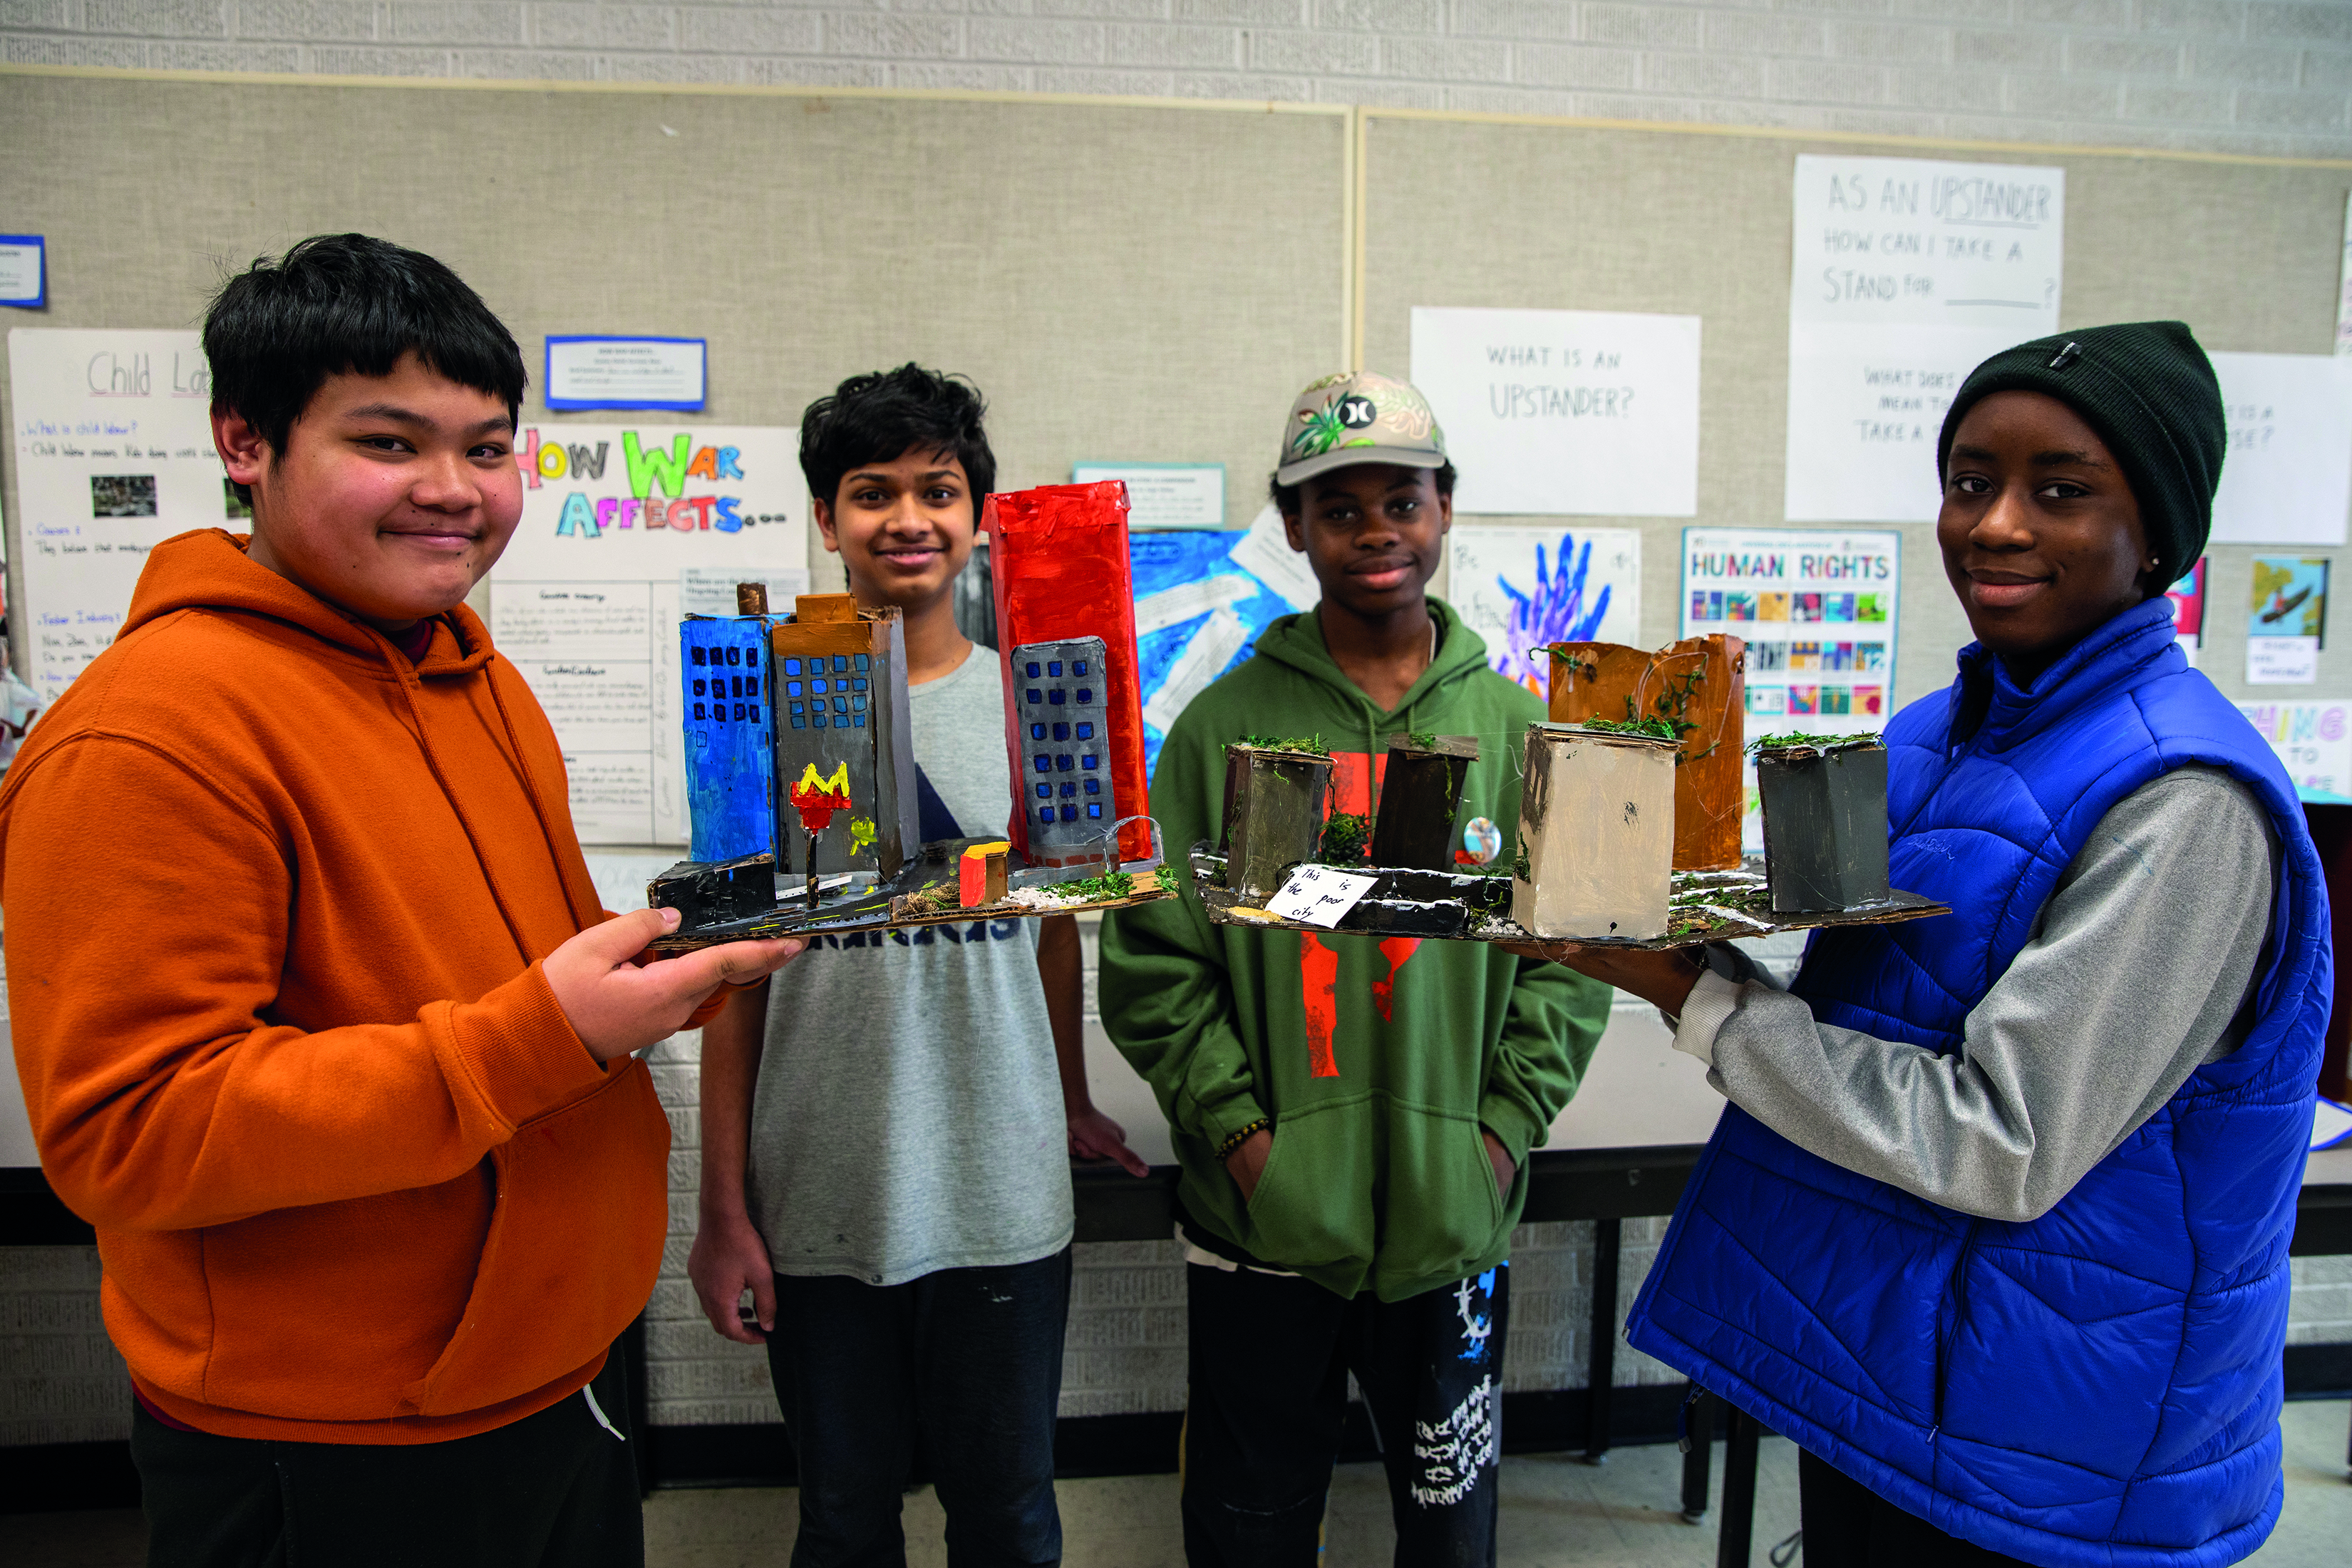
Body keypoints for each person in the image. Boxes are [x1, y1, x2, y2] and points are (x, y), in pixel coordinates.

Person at [0, 234, 803, 1567]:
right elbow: (129, 1132)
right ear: (245, 441)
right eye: (390, 443)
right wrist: (548, 1032)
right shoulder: (145, 736)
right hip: (335, 1439)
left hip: (558, 1373)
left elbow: (488, 981)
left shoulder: (476, 679)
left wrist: (645, 978)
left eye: (489, 449)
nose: (454, 492)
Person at [1548, 324, 2327, 1568]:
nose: (1996, 524)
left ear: (2164, 539)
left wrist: (1700, 1000)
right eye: (1969, 481)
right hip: (1897, 1374)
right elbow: (1884, 1004)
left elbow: (2001, 1139)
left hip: (2047, 1448)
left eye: (2060, 490)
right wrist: (1669, 930)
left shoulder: (2184, 804)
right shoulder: (1934, 733)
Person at [1097, 371, 1613, 1567]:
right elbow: (1156, 965)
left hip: (1453, 1227)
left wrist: (1497, 1134)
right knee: (1250, 1525)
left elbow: (1573, 963)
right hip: (1262, 1230)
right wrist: (1245, 1140)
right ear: (1293, 526)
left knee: (1448, 1532)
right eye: (1339, 509)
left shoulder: (1522, 732)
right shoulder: (1222, 730)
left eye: (1401, 500)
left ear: (1446, 510)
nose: (1375, 530)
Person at [688, 364, 1145, 1568]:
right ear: (827, 519)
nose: (907, 518)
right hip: (822, 1195)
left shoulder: (1039, 703)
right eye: (870, 491)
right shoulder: (764, 716)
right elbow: (733, 975)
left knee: (1008, 1519)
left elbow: (1052, 926)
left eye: (937, 489)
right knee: (842, 1522)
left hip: (1001, 1194)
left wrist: (1073, 1096)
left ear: (978, 515)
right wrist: (722, 1207)